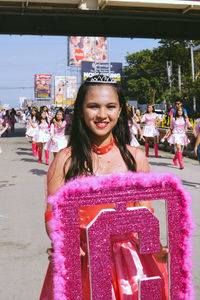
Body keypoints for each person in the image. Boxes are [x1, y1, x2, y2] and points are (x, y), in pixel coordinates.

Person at [40, 75, 168, 300]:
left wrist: (155, 245)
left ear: (120, 111)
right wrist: (63, 242)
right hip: (81, 260)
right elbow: (53, 214)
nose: (102, 115)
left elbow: (145, 210)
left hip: (129, 261)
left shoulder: (135, 157)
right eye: (93, 106)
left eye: (110, 106)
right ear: (80, 110)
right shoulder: (64, 160)